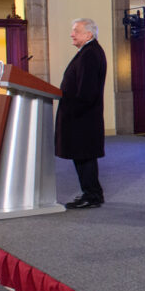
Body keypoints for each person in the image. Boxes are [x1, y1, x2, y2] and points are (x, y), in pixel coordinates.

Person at [55, 18, 107, 209]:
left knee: (85, 156)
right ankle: (92, 193)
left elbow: (87, 91)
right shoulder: (88, 52)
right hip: (82, 116)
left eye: (76, 30)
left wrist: (72, 109)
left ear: (89, 34)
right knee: (84, 156)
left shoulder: (90, 54)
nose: (72, 34)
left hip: (83, 117)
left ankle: (92, 196)